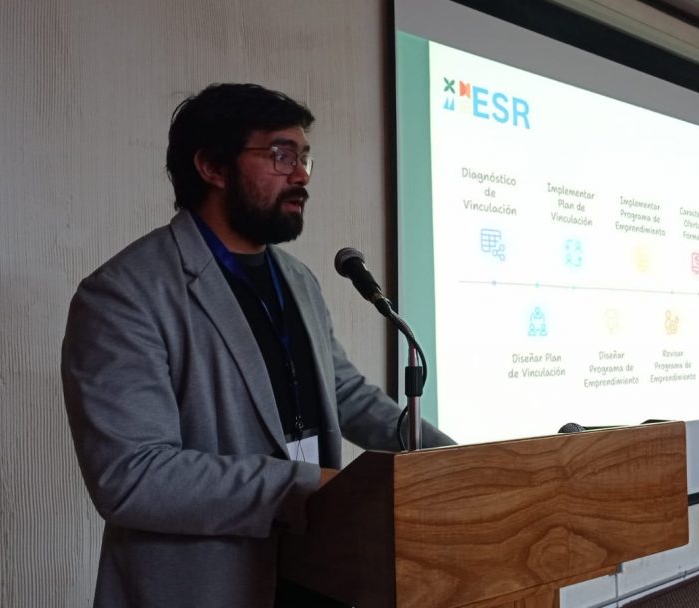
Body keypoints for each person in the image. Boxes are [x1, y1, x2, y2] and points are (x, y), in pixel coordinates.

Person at [60, 83, 453, 608]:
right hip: (204, 587)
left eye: (304, 157)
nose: (301, 176)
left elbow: (346, 395)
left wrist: (453, 460)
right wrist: (305, 485)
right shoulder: (125, 293)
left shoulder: (298, 279)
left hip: (318, 571)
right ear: (212, 167)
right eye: (280, 155)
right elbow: (133, 477)